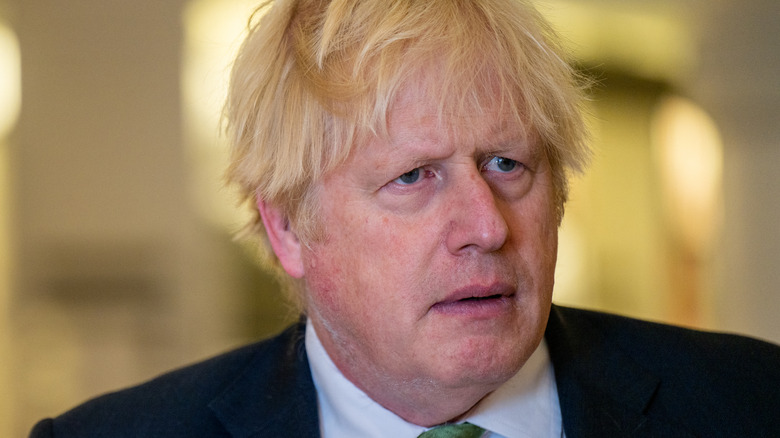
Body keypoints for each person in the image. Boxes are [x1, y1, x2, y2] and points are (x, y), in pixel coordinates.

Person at [30, 0, 780, 436]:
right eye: (413, 176)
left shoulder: (752, 404)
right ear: (288, 226)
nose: (486, 226)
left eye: (506, 165)